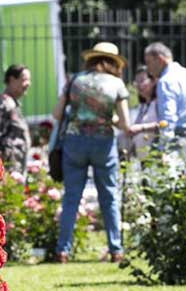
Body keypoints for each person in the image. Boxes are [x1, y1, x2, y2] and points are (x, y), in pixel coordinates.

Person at [52, 41, 132, 263]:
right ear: (114, 63)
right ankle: (115, 249)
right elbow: (125, 123)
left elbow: (57, 113)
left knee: (71, 199)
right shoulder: (116, 84)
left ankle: (62, 250)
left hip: (74, 141)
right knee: (108, 196)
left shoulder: (75, 80)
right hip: (103, 142)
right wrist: (108, 119)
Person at [143, 42, 186, 139]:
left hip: (179, 136)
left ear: (160, 59)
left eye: (149, 62)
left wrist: (165, 145)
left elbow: (168, 117)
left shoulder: (165, 81)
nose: (148, 69)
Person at [0, 64, 31, 175]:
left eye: (29, 80)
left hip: (15, 169)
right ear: (11, 80)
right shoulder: (3, 105)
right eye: (24, 80)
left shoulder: (12, 104)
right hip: (7, 172)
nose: (28, 84)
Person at [124, 66, 159, 159]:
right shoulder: (142, 106)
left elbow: (165, 124)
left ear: (153, 81)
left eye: (142, 80)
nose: (138, 85)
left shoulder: (159, 103)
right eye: (137, 81)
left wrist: (142, 128)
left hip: (155, 155)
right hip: (143, 157)